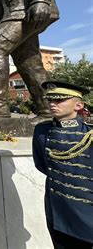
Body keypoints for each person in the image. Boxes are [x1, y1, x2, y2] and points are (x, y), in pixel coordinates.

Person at [32, 81, 92, 248]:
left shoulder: (89, 134)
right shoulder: (42, 131)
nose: (52, 104)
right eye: (50, 100)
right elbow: (42, 164)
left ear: (78, 105)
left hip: (87, 209)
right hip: (58, 208)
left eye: (59, 100)